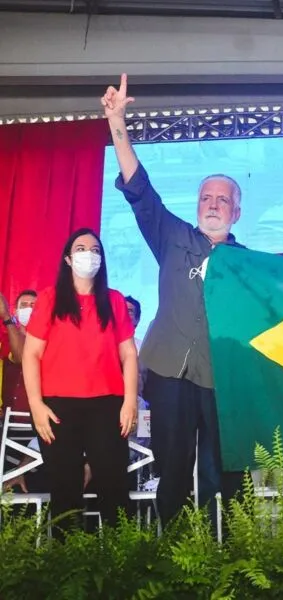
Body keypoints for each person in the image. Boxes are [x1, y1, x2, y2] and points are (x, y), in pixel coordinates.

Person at [101, 74, 244, 526]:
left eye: (223, 199)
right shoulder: (172, 235)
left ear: (237, 211)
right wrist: (116, 122)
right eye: (207, 197)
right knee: (173, 470)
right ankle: (175, 558)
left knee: (225, 471)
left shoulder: (250, 263)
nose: (214, 204)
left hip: (222, 377)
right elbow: (139, 188)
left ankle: (230, 550)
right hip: (168, 373)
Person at [21, 228, 138, 532]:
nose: (89, 254)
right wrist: (36, 404)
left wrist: (129, 402)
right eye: (82, 248)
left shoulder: (113, 301)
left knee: (113, 485)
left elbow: (128, 355)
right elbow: (31, 354)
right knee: (65, 488)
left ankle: (121, 560)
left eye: (96, 249)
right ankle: (66, 566)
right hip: (58, 407)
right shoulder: (49, 299)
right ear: (68, 259)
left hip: (108, 405)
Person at [0, 289, 35, 416]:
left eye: (33, 306)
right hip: (8, 418)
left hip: (37, 419)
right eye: (24, 305)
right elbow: (19, 356)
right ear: (15, 311)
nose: (29, 309)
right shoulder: (5, 339)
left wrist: (6, 317)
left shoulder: (48, 341)